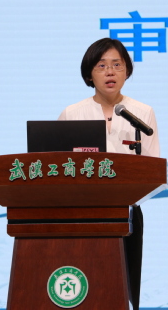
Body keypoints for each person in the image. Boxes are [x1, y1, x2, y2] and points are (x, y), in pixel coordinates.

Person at [58, 37, 160, 310]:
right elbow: (57, 167)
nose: (110, 72)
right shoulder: (72, 113)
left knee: (122, 287)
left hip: (126, 214)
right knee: (83, 284)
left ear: (127, 71)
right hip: (81, 214)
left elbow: (153, 168)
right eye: (101, 66)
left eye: (117, 65)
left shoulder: (142, 113)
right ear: (89, 74)